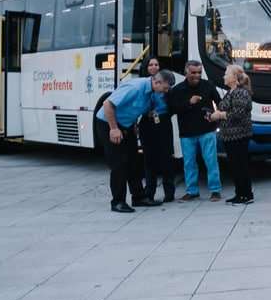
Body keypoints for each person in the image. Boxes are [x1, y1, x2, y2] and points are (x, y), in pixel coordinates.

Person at [95, 67, 176, 213]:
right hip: (109, 124)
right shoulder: (134, 88)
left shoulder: (151, 92)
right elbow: (108, 104)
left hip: (127, 126)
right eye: (164, 88)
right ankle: (117, 202)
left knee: (134, 162)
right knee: (119, 163)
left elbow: (135, 110)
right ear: (156, 82)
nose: (165, 92)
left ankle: (138, 197)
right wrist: (113, 129)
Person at [166, 60, 223, 202]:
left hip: (207, 130)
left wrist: (216, 114)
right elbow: (172, 109)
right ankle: (192, 191)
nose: (197, 75)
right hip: (187, 132)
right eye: (193, 72)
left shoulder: (208, 85)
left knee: (211, 161)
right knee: (189, 163)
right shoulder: (177, 89)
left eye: (199, 72)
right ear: (186, 72)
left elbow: (220, 102)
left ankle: (215, 190)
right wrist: (189, 103)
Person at [211, 64, 254, 204]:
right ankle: (239, 193)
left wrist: (220, 115)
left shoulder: (240, 92)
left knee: (240, 165)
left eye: (226, 73)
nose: (224, 76)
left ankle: (246, 194)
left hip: (239, 135)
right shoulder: (231, 92)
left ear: (234, 77)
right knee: (235, 166)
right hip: (230, 136)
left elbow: (238, 114)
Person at [139, 57, 178, 203]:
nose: (154, 67)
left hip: (163, 121)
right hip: (147, 123)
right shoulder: (143, 84)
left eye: (156, 64)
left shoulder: (166, 84)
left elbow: (173, 104)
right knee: (149, 159)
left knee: (167, 156)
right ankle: (149, 192)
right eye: (151, 64)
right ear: (146, 67)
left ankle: (169, 192)